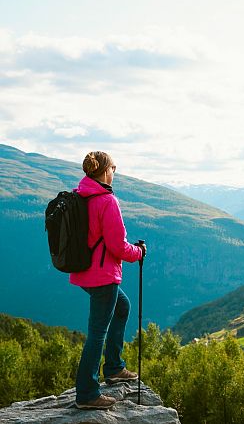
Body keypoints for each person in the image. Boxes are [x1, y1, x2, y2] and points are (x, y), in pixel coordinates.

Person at [71, 151, 146, 410]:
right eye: (114, 168)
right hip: (102, 276)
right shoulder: (107, 200)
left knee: (121, 307)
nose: (115, 173)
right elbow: (117, 246)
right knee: (97, 333)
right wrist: (138, 253)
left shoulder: (81, 196)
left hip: (83, 272)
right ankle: (87, 393)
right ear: (105, 171)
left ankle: (114, 367)